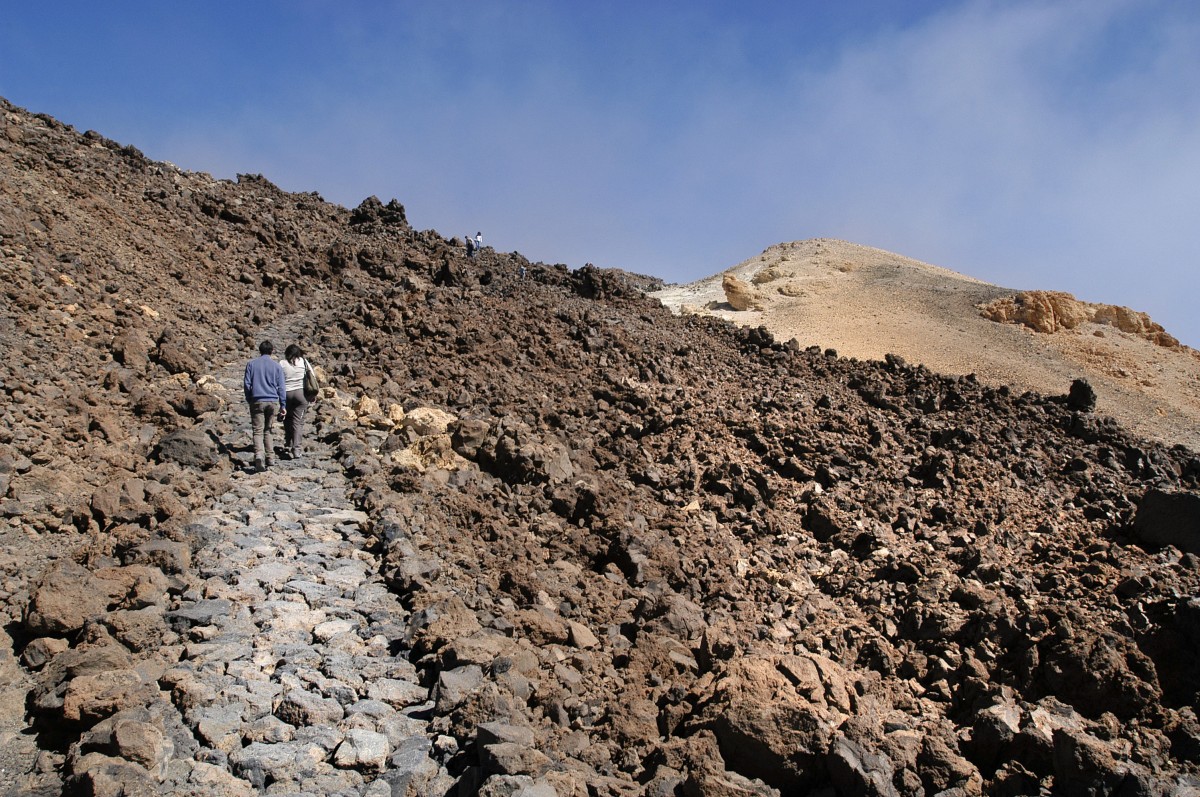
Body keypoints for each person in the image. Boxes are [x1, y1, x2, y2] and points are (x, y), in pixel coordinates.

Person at [243, 340, 286, 472]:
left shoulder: (251, 364)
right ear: (272, 350)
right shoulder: (277, 366)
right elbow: (281, 387)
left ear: (259, 350)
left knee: (257, 431)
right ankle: (270, 458)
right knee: (268, 430)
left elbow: (247, 384)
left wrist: (249, 398)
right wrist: (283, 405)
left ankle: (259, 455)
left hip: (257, 400)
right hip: (272, 401)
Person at [280, 344, 313, 460]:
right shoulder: (304, 362)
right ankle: (297, 449)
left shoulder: (282, 363)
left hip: (286, 394)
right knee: (298, 422)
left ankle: (288, 442)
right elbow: (312, 376)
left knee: (287, 418)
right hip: (301, 394)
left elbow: (278, 379)